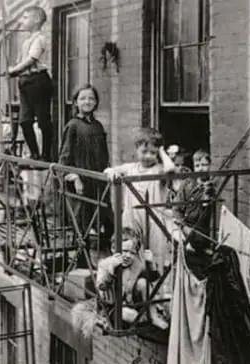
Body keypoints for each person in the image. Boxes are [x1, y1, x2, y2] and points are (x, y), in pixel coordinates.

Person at [104, 128, 175, 274]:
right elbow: (108, 170)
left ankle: (155, 290)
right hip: (132, 219)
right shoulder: (130, 168)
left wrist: (162, 150)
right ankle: (132, 290)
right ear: (137, 149)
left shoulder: (159, 170)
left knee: (155, 256)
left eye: (153, 153)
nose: (148, 156)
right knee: (130, 254)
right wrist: (112, 172)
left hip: (153, 221)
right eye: (144, 151)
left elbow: (171, 168)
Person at [59, 84, 112, 240]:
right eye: (82, 98)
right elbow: (64, 158)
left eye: (91, 98)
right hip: (80, 183)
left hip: (98, 181)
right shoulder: (72, 126)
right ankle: (81, 260)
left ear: (96, 103)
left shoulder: (98, 126)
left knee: (105, 218)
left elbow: (104, 155)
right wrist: (74, 177)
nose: (87, 102)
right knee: (82, 225)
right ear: (76, 102)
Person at [96, 227, 169, 329]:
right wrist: (111, 270)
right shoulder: (105, 264)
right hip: (113, 307)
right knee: (128, 315)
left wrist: (151, 264)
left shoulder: (136, 263)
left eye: (132, 252)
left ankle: (153, 316)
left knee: (143, 283)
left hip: (131, 302)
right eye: (124, 251)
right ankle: (143, 318)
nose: (128, 256)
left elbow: (152, 278)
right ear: (113, 248)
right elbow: (101, 286)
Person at [7, 6, 53, 161]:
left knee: (43, 120)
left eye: (26, 17)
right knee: (25, 121)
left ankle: (46, 154)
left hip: (37, 80)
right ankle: (35, 153)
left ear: (37, 20)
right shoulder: (26, 41)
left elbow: (31, 60)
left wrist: (14, 70)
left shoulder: (39, 38)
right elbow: (22, 61)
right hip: (25, 81)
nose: (22, 21)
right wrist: (13, 68)